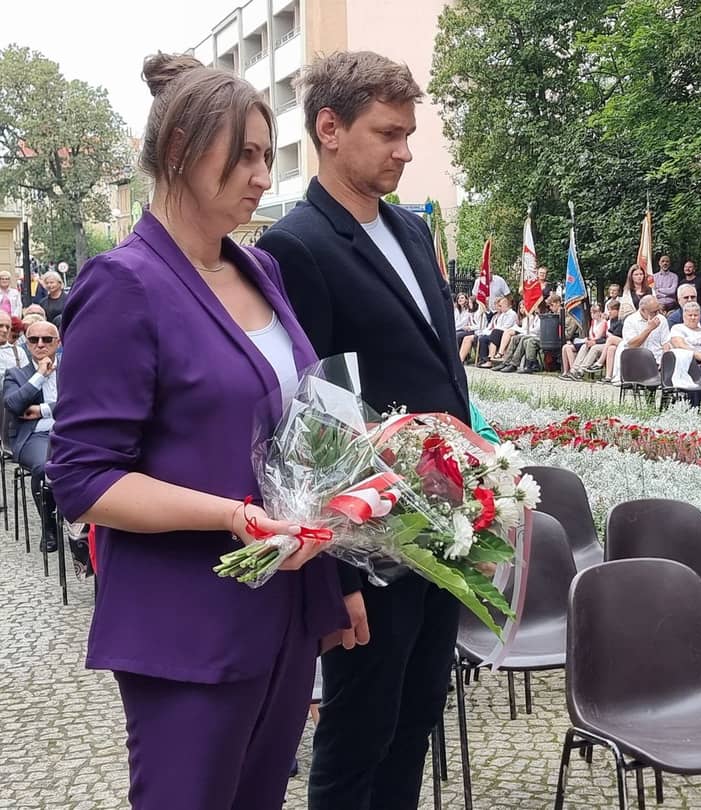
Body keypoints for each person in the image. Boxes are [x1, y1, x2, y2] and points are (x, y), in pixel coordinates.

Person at [46, 53, 348, 810]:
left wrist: (338, 553)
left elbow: (297, 423)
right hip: (189, 626)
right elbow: (83, 478)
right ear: (180, 148)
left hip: (282, 609)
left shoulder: (257, 270)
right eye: (244, 155)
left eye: (266, 156)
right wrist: (229, 516)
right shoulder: (125, 283)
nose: (262, 175)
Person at [255, 50, 470, 810]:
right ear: (330, 128)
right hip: (367, 542)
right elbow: (306, 421)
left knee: (415, 722)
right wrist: (338, 576)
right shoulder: (296, 245)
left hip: (443, 525)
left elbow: (442, 371)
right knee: (358, 735)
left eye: (409, 134)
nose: (405, 151)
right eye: (388, 133)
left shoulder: (411, 230)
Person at [4, 320, 61, 552]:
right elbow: (13, 405)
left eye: (46, 339)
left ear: (57, 343)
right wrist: (39, 375)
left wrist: (43, 409)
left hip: (69, 431)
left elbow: (84, 402)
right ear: (26, 344)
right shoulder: (16, 374)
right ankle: (49, 526)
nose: (40, 344)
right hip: (35, 436)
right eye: (33, 340)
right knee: (43, 466)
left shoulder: (72, 370)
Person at [610, 294, 669, 383]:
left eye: (658, 310)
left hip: (658, 361)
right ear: (643, 310)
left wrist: (665, 359)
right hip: (638, 362)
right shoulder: (630, 321)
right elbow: (632, 345)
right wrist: (649, 329)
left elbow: (666, 343)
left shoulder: (662, 319)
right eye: (653, 312)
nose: (657, 314)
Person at [561, 303, 608, 379]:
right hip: (592, 341)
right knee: (584, 346)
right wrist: (589, 340)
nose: (593, 314)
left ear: (600, 312)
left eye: (595, 312)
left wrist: (591, 341)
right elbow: (590, 334)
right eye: (591, 312)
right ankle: (574, 370)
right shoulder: (593, 322)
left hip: (600, 342)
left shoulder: (604, 322)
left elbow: (599, 336)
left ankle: (581, 370)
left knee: (591, 347)